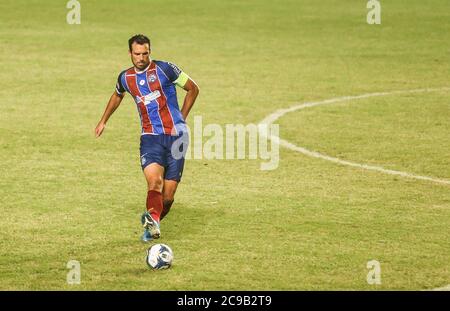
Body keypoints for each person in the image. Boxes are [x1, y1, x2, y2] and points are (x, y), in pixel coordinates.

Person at [94, 34, 199, 242]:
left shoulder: (165, 69)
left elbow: (193, 89)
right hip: (150, 138)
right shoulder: (126, 78)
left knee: (168, 198)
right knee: (155, 183)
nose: (141, 58)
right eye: (137, 54)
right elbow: (117, 95)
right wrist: (103, 120)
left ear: (150, 52)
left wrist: (182, 117)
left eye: (145, 53)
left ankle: (154, 220)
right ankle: (152, 224)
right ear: (130, 54)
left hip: (176, 138)